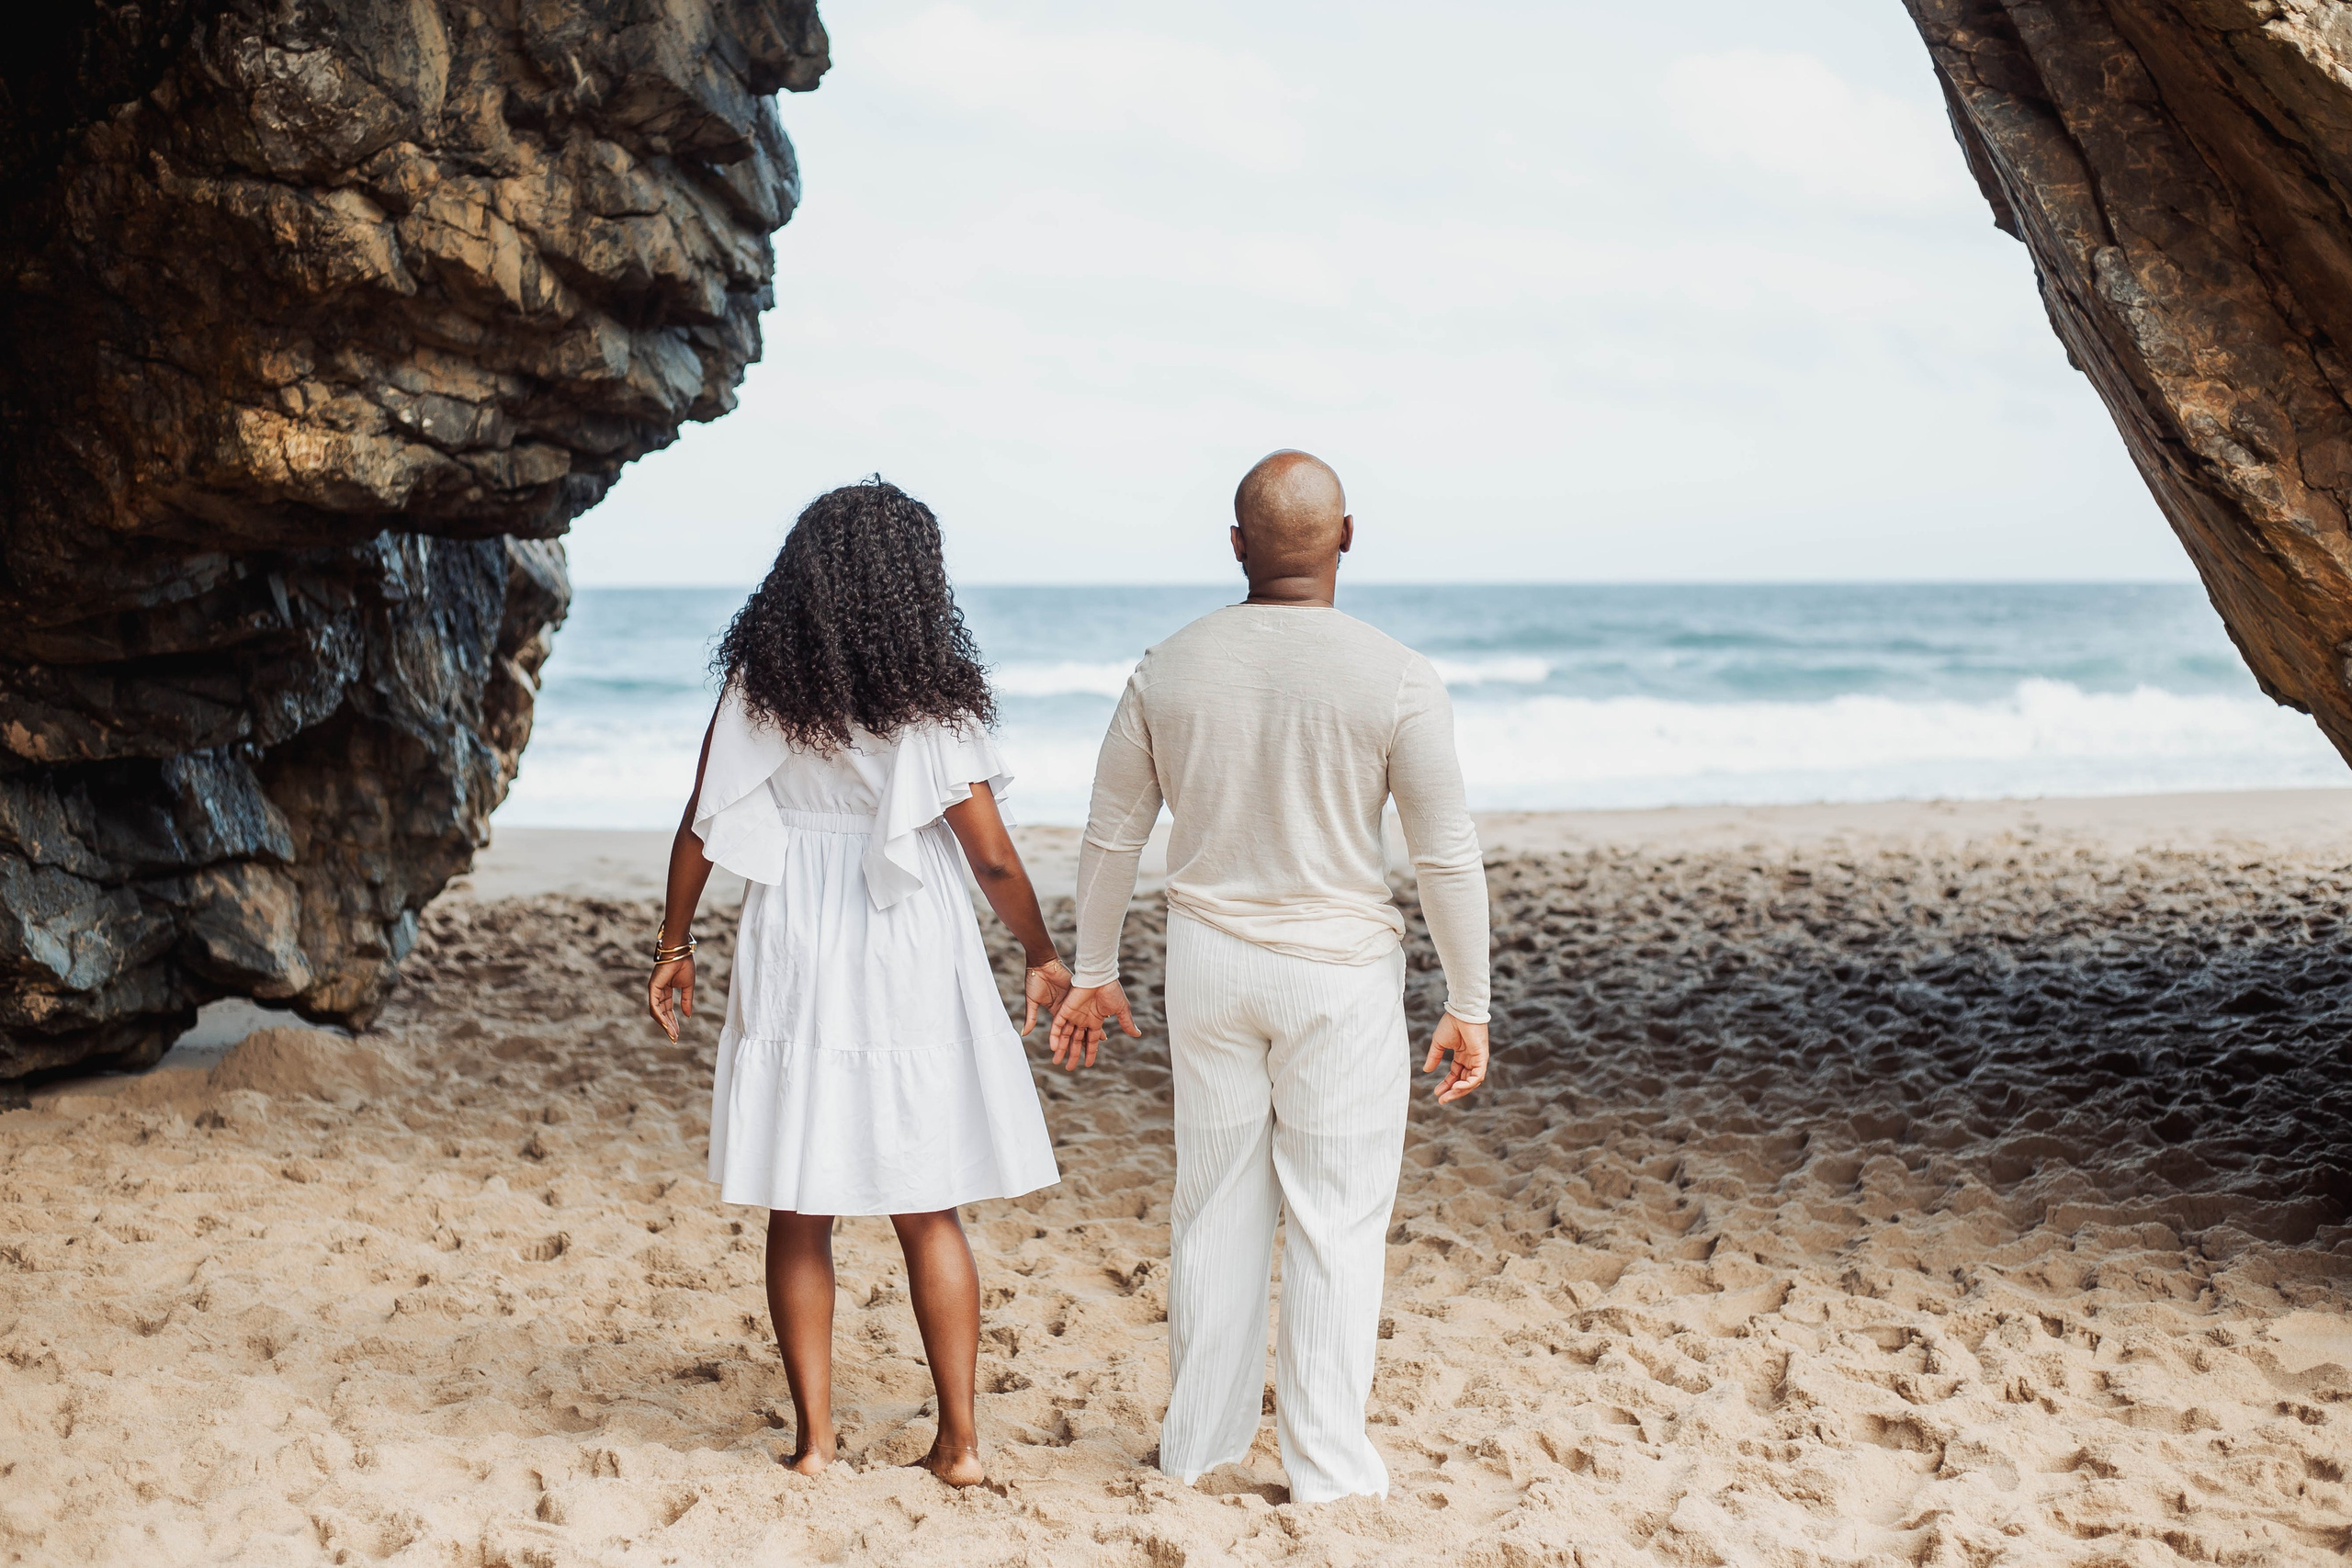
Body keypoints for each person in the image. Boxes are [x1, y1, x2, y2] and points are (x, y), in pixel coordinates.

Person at [1049, 449, 1493, 1504]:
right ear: (1346, 536)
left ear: (1237, 545)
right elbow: (1444, 853)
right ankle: (1328, 1469)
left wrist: (1096, 967)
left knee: (1212, 1209)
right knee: (1336, 1220)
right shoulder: (1394, 674)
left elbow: (1114, 834)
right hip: (1339, 976)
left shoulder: (1170, 665)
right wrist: (1467, 1001)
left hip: (1209, 965)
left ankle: (1197, 1448)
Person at [647, 478, 1069, 1488]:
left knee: (800, 1203)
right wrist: (1042, 953)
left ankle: (815, 1445)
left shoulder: (760, 681)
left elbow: (704, 817)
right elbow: (993, 859)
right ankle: (961, 1448)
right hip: (905, 930)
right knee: (927, 1203)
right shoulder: (925, 698)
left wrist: (674, 944)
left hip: (796, 924)